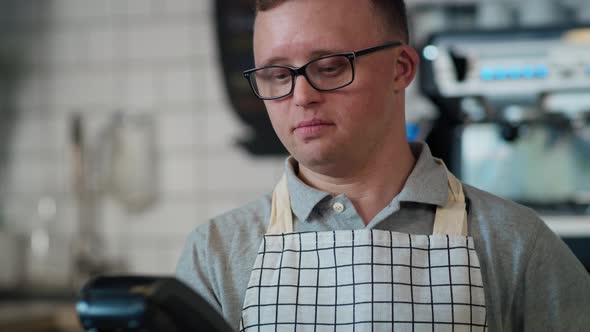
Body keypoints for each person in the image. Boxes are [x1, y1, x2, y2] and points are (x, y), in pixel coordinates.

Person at [177, 0, 590, 330]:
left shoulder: (516, 245)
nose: (301, 96)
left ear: (401, 68)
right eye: (277, 75)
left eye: (330, 66)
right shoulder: (216, 255)